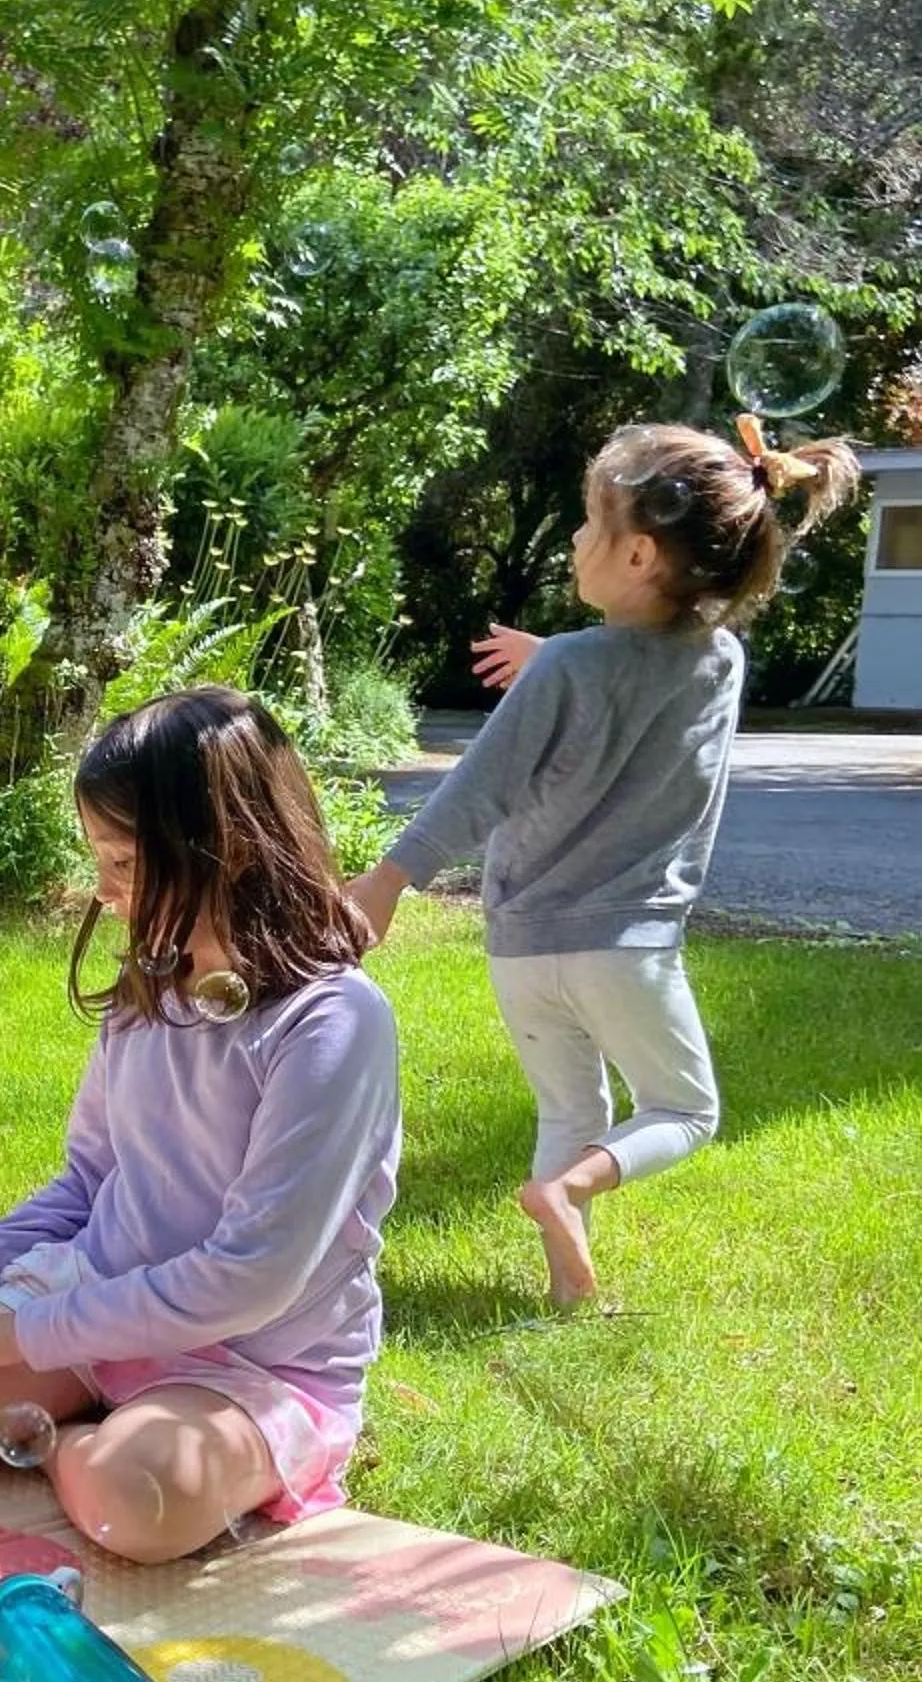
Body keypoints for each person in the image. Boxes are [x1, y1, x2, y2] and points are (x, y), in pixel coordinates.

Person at [0, 688, 401, 1564]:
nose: (104, 891)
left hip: (253, 1368)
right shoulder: (147, 997)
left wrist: (24, 1339)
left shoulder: (330, 1022)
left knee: (138, 1504)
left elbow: (253, 1277)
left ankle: (68, 1440)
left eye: (127, 863)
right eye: (101, 857)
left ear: (230, 849)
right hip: (94, 1318)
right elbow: (88, 1184)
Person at [347, 419, 860, 1307]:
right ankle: (571, 1191)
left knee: (568, 1113)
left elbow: (484, 784)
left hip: (520, 947)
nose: (578, 539)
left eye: (592, 525)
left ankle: (569, 1282)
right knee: (684, 1110)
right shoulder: (722, 661)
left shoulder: (573, 668)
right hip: (624, 950)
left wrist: (388, 881)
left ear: (638, 557)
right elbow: (653, 674)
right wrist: (555, 667)